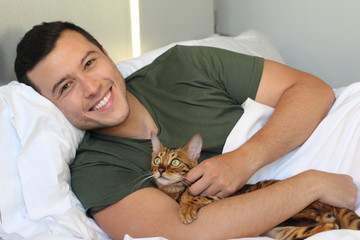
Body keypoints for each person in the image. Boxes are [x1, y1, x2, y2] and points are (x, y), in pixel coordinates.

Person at [14, 21, 357, 240]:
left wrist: (245, 159)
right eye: (65, 87)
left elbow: (312, 91)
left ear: (106, 55)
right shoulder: (96, 170)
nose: (91, 87)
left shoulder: (183, 65)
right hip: (318, 191)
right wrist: (309, 184)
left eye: (90, 63)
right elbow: (183, 232)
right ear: (48, 106)